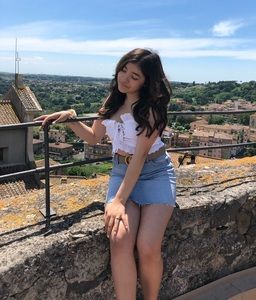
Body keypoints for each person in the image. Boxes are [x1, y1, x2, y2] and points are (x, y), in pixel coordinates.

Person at [34, 48, 176, 300]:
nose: (125, 79)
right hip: (123, 171)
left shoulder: (151, 110)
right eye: (124, 70)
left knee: (147, 246)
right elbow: (93, 137)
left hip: (154, 173)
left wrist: (119, 201)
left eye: (134, 76)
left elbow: (141, 158)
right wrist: (70, 118)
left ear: (147, 82)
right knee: (119, 240)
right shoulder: (112, 100)